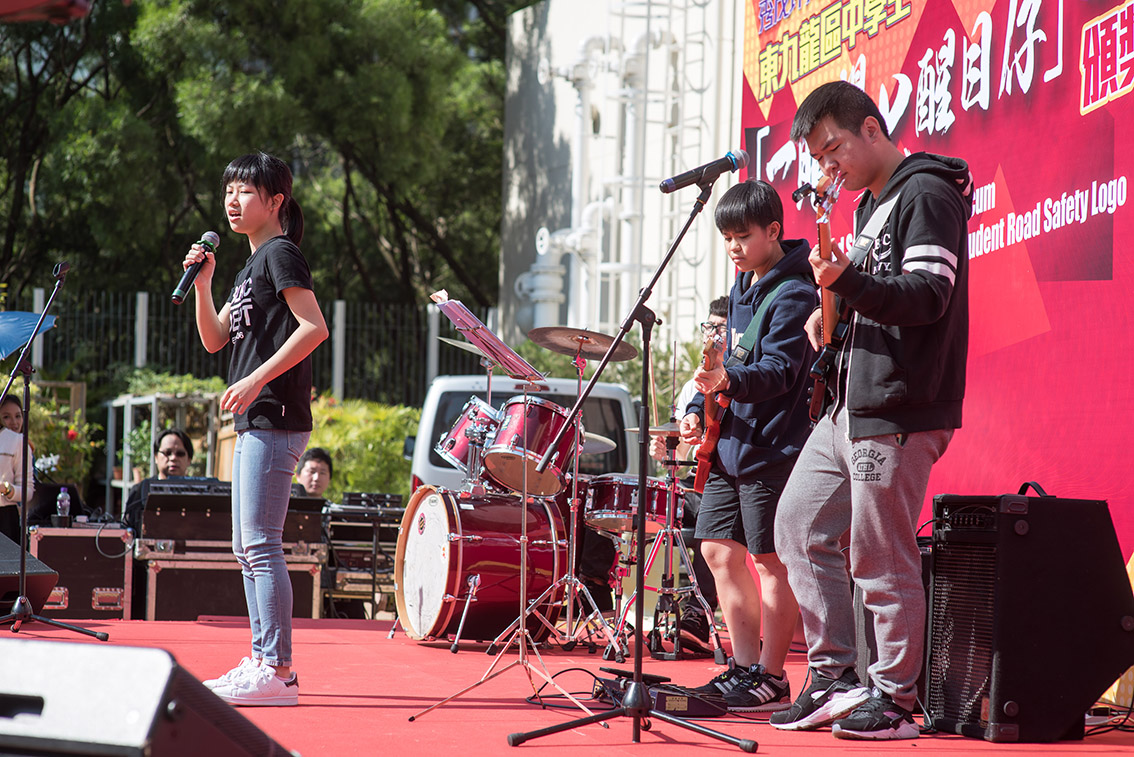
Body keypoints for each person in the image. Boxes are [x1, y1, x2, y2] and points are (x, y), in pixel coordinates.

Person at [770, 81, 971, 740]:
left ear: (872, 130)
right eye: (820, 159)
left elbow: (928, 294)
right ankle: (833, 674)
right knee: (798, 524)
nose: (831, 168)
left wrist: (847, 282)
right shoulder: (866, 208)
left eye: (835, 150)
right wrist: (830, 318)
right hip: (847, 404)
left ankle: (895, 696)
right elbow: (865, 301)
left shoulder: (926, 193)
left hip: (900, 401)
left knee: (879, 553)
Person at [186, 152, 329, 707]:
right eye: (228, 191)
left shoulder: (281, 254)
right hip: (255, 418)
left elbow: (313, 328)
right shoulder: (248, 267)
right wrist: (203, 283)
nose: (233, 200)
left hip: (275, 416)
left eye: (246, 191)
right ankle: (263, 659)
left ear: (275, 202)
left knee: (262, 545)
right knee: (246, 547)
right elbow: (216, 339)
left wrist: (254, 380)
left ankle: (278, 670)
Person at [679, 179, 819, 711]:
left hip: (773, 447)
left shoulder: (797, 292)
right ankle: (742, 668)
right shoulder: (744, 286)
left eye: (743, 236)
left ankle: (771, 675)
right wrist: (698, 410)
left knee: (768, 562)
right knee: (716, 550)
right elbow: (726, 360)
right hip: (730, 445)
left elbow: (782, 373)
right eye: (727, 238)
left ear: (773, 231)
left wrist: (726, 384)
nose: (734, 248)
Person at [647, 295, 728, 650]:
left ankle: (697, 613)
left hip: (725, 480)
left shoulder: (741, 375)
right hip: (692, 481)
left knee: (706, 532)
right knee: (627, 512)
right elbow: (680, 451)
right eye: (708, 327)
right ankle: (615, 596)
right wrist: (663, 452)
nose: (712, 334)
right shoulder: (689, 388)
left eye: (720, 328)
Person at [122, 428, 196, 535]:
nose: (173, 458)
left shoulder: (197, 491)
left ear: (189, 459)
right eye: (167, 452)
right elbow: (128, 528)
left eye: (180, 454)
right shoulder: (141, 490)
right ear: (156, 457)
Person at [0, 396, 34, 544]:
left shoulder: (19, 442)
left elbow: (28, 490)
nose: (14, 422)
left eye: (18, 416)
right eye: (6, 417)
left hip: (5, 517)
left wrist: (7, 489)